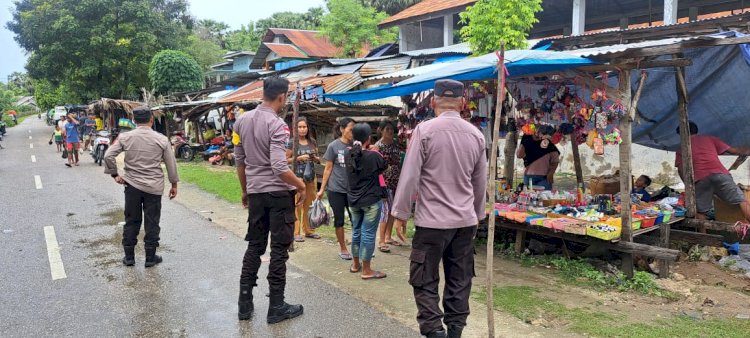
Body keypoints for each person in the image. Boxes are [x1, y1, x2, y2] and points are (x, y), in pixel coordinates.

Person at [392, 80, 487, 338]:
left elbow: (409, 175)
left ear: (432, 102)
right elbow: (480, 183)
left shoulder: (424, 131)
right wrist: (478, 215)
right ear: (463, 103)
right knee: (459, 280)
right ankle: (454, 332)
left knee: (424, 279)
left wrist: (400, 213)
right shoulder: (476, 135)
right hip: (465, 223)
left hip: (432, 223)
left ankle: (435, 331)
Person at [234, 77, 306, 324]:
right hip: (277, 195)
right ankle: (276, 306)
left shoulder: (241, 121)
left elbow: (240, 162)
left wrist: (246, 190)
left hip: (256, 194)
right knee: (278, 250)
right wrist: (300, 185)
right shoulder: (278, 125)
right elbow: (278, 166)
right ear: (283, 97)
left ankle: (244, 304)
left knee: (255, 245)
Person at [103, 107, 179, 268]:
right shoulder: (161, 139)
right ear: (151, 119)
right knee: (152, 222)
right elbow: (171, 164)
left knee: (131, 221)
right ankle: (150, 258)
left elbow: (108, 155)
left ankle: (129, 257)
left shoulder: (125, 137)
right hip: (154, 187)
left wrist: (115, 174)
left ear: (134, 120)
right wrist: (174, 184)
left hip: (132, 186)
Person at [676, 121, 750, 224]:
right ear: (696, 130)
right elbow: (734, 151)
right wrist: (746, 150)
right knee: (742, 200)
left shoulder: (681, 148)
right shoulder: (709, 139)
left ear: (681, 134)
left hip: (700, 179)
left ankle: (703, 237)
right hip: (720, 174)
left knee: (700, 211)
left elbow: (681, 169)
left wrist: (689, 185)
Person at [346, 123, 387, 279]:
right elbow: (384, 166)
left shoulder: (346, 153)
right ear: (369, 138)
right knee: (368, 234)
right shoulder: (374, 155)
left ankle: (356, 265)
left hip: (353, 201)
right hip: (370, 201)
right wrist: (375, 150)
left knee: (356, 231)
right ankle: (367, 270)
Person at [317, 117, 356, 260]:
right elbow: (327, 169)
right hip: (336, 190)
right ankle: (343, 248)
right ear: (342, 129)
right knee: (339, 220)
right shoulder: (333, 146)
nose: (353, 132)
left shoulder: (356, 145)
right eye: (351, 129)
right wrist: (322, 189)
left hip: (352, 190)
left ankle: (358, 248)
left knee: (356, 219)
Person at [286, 117, 321, 242]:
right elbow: (285, 160)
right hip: (297, 177)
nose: (302, 129)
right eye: (299, 127)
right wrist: (299, 158)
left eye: (304, 127)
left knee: (310, 204)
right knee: (297, 204)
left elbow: (318, 157)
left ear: (307, 128)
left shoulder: (312, 141)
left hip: (310, 177)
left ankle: (309, 230)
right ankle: (296, 232)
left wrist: (315, 158)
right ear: (295, 129)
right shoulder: (292, 142)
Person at [373, 120, 405, 252]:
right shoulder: (377, 146)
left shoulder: (396, 144)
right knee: (384, 211)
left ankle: (388, 237)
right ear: (381, 130)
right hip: (383, 183)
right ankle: (381, 240)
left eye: (392, 129)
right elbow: (375, 168)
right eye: (387, 129)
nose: (390, 131)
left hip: (395, 181)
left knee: (393, 210)